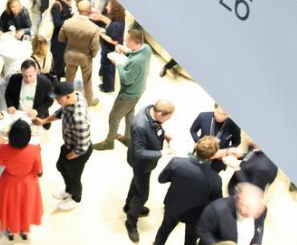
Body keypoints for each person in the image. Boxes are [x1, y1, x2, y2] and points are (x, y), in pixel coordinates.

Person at [32, 82, 91, 211]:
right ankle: (69, 191)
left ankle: (76, 199)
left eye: (58, 98)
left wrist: (71, 156)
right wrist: (44, 121)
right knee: (61, 166)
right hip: (69, 144)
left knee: (74, 177)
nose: (56, 100)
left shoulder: (79, 117)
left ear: (68, 96)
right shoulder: (74, 97)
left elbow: (83, 145)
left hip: (78, 151)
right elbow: (60, 112)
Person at [154, 137, 224, 245]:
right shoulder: (215, 179)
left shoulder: (176, 162)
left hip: (173, 206)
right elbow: (216, 203)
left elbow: (161, 179)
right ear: (213, 156)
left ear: (195, 146)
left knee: (164, 229)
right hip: (195, 215)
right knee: (191, 239)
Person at [123, 100, 176, 242]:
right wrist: (163, 152)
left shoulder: (151, 109)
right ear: (160, 114)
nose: (168, 120)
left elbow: (156, 128)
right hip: (141, 163)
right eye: (167, 117)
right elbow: (139, 152)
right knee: (142, 195)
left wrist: (165, 135)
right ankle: (130, 221)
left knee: (136, 181)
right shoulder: (140, 125)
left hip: (145, 164)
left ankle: (129, 205)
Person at [96, 28, 152, 148]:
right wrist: (126, 51)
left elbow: (126, 80)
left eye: (126, 40)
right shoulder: (147, 48)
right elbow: (134, 54)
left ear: (132, 41)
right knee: (129, 114)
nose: (125, 41)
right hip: (138, 90)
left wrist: (118, 63)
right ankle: (128, 137)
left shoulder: (136, 61)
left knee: (114, 117)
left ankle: (109, 142)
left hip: (128, 94)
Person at [0, 119, 43, 241]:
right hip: (27, 183)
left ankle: (10, 231)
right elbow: (39, 170)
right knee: (25, 207)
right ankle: (24, 230)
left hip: (9, 182)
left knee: (10, 207)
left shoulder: (3, 149)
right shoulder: (35, 149)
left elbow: (1, 163)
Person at [59, 0, 101, 107]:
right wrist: (93, 55)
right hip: (85, 57)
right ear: (89, 10)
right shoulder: (94, 28)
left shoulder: (68, 23)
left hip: (70, 55)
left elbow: (61, 38)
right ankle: (89, 100)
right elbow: (95, 47)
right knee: (87, 80)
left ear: (78, 9)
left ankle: (67, 99)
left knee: (69, 79)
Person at [196, 183, 267, 245]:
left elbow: (259, 228)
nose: (253, 214)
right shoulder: (216, 209)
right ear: (237, 200)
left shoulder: (259, 210)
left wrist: (256, 242)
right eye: (248, 207)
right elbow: (204, 233)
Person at [191, 103, 243, 172]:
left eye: (225, 114)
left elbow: (237, 142)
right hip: (201, 155)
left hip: (218, 160)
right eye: (219, 113)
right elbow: (193, 131)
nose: (221, 117)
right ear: (215, 108)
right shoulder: (203, 116)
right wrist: (200, 143)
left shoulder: (234, 124)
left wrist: (225, 151)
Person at [91, 0, 125, 93]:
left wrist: (101, 34)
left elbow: (113, 41)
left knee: (108, 68)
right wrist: (100, 17)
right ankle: (105, 84)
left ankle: (108, 88)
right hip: (108, 48)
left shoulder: (116, 25)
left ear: (114, 8)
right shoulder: (118, 19)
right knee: (106, 66)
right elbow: (110, 22)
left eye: (108, 6)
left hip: (111, 49)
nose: (106, 7)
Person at [50, 0, 74, 79]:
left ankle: (60, 74)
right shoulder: (57, 5)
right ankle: (55, 79)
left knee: (62, 59)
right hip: (57, 38)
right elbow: (57, 22)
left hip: (64, 37)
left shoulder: (66, 3)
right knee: (57, 59)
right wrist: (70, 20)